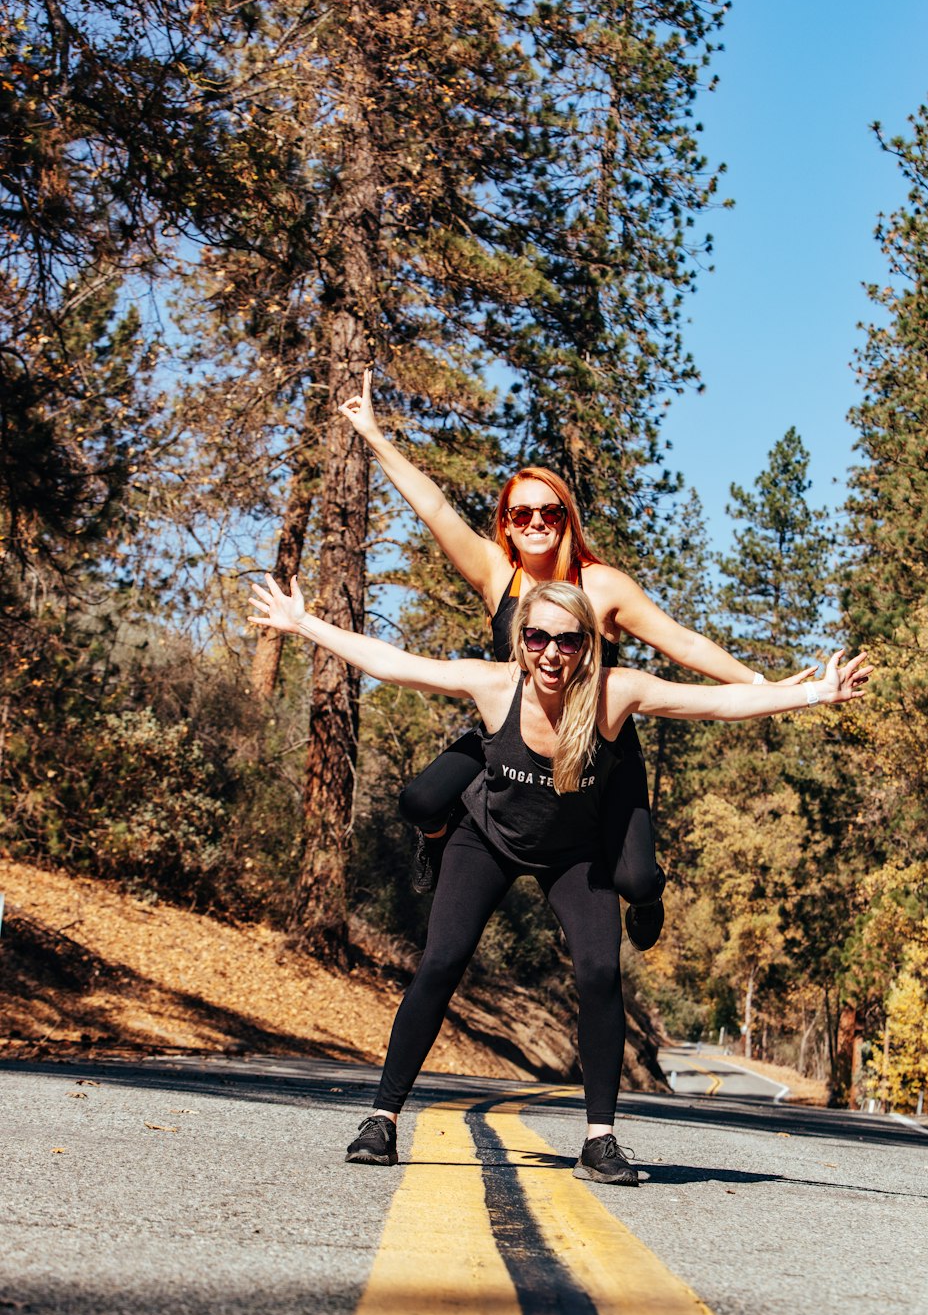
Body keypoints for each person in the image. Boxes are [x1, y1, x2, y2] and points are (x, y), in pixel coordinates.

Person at [249, 570, 869, 1186]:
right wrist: (302, 623)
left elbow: (719, 703)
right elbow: (394, 663)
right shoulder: (495, 687)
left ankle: (600, 1140)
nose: (552, 652)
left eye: (568, 640)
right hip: (485, 841)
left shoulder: (612, 694)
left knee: (600, 973)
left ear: (586, 646)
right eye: (540, 637)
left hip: (575, 855)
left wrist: (819, 693)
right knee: (441, 962)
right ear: (521, 640)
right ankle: (381, 1119)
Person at [337, 371, 810, 952]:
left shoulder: (602, 586)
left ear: (566, 519)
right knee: (419, 800)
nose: (535, 523)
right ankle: (439, 838)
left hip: (599, 744)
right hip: (514, 730)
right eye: (521, 514)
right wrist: (375, 436)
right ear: (506, 523)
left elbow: (681, 644)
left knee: (634, 878)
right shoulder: (496, 573)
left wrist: (762, 684)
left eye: (549, 513)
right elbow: (433, 505)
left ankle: (647, 895)